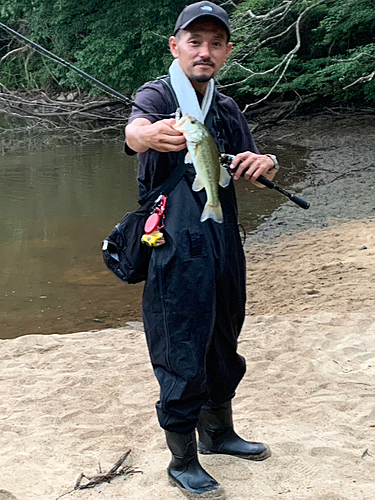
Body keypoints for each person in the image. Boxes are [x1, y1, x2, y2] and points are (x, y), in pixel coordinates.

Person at [125, 2, 278, 498]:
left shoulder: (228, 108)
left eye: (215, 43)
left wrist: (265, 162)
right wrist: (147, 134)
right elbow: (134, 131)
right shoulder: (158, 93)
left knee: (223, 330)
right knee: (180, 340)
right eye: (195, 42)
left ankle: (218, 433)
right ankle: (182, 458)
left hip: (222, 233)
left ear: (227, 52)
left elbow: (249, 167)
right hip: (173, 239)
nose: (204, 52)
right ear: (176, 47)